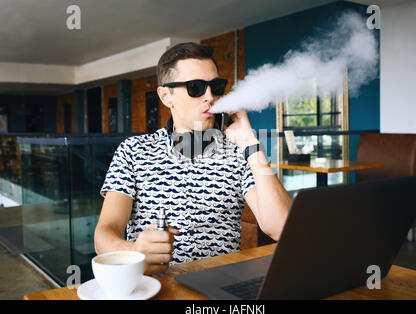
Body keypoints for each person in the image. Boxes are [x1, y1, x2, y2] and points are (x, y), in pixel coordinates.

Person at [94, 42, 292, 276]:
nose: (209, 97)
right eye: (196, 87)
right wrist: (133, 252)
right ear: (166, 96)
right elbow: (104, 234)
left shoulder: (239, 152)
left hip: (220, 289)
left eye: (216, 86)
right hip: (156, 287)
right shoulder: (133, 151)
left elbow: (281, 228)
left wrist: (252, 145)